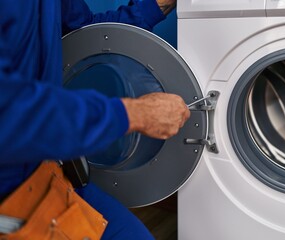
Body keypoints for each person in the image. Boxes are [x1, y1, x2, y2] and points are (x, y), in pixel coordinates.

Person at [0, 0, 189, 239]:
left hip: (44, 172)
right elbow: (8, 112)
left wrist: (157, 5)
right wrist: (132, 114)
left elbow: (85, 29)